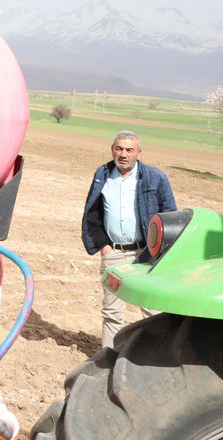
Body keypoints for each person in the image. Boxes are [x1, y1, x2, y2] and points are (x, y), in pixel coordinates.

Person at [80, 130, 177, 348]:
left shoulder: (155, 177)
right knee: (112, 311)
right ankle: (108, 357)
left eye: (129, 150)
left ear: (138, 153)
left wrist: (161, 250)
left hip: (147, 253)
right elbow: (92, 213)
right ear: (112, 150)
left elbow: (170, 214)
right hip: (114, 253)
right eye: (119, 149)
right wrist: (103, 246)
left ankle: (153, 358)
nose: (123, 154)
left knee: (152, 310)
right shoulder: (102, 174)